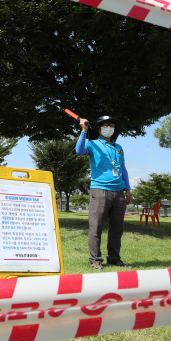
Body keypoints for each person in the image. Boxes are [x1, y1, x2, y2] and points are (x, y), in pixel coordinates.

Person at [76, 115, 132, 270]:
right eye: (106, 125)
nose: (109, 128)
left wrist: (128, 189)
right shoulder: (93, 144)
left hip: (118, 191)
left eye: (112, 125)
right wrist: (84, 130)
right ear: (99, 128)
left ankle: (114, 258)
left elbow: (123, 169)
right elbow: (79, 150)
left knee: (117, 228)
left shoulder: (118, 147)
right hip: (100, 190)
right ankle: (95, 259)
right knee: (96, 227)